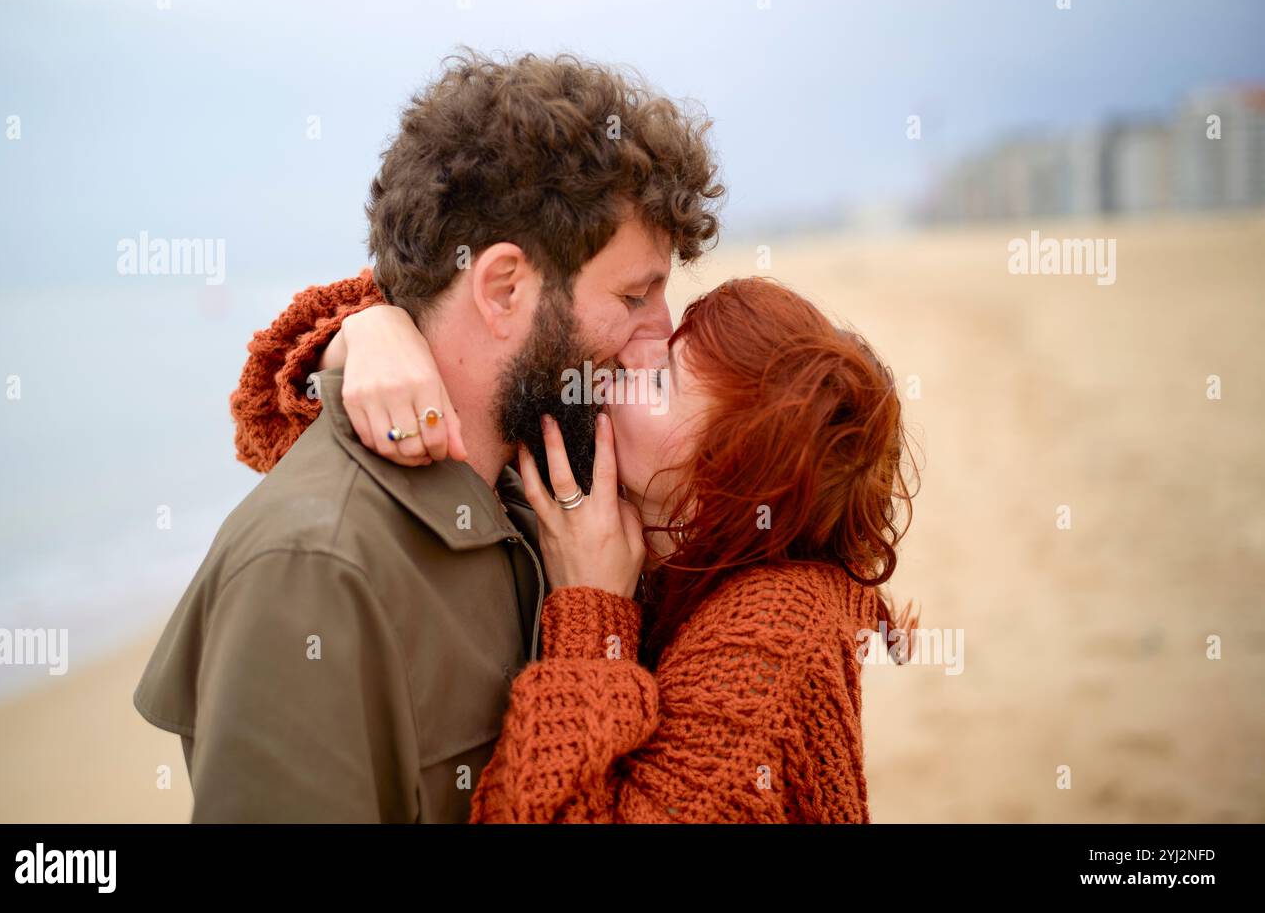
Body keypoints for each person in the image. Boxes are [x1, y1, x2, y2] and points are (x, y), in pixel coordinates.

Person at [131, 47, 724, 822]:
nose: (660, 334)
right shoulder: (313, 569)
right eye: (635, 295)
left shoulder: (547, 482)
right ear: (504, 288)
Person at [234, 273, 920, 823]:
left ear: (713, 490)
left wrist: (590, 617)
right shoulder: (639, 522)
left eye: (662, 378)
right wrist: (368, 333)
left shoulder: (773, 634)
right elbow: (273, 422)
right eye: (668, 334)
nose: (635, 347)